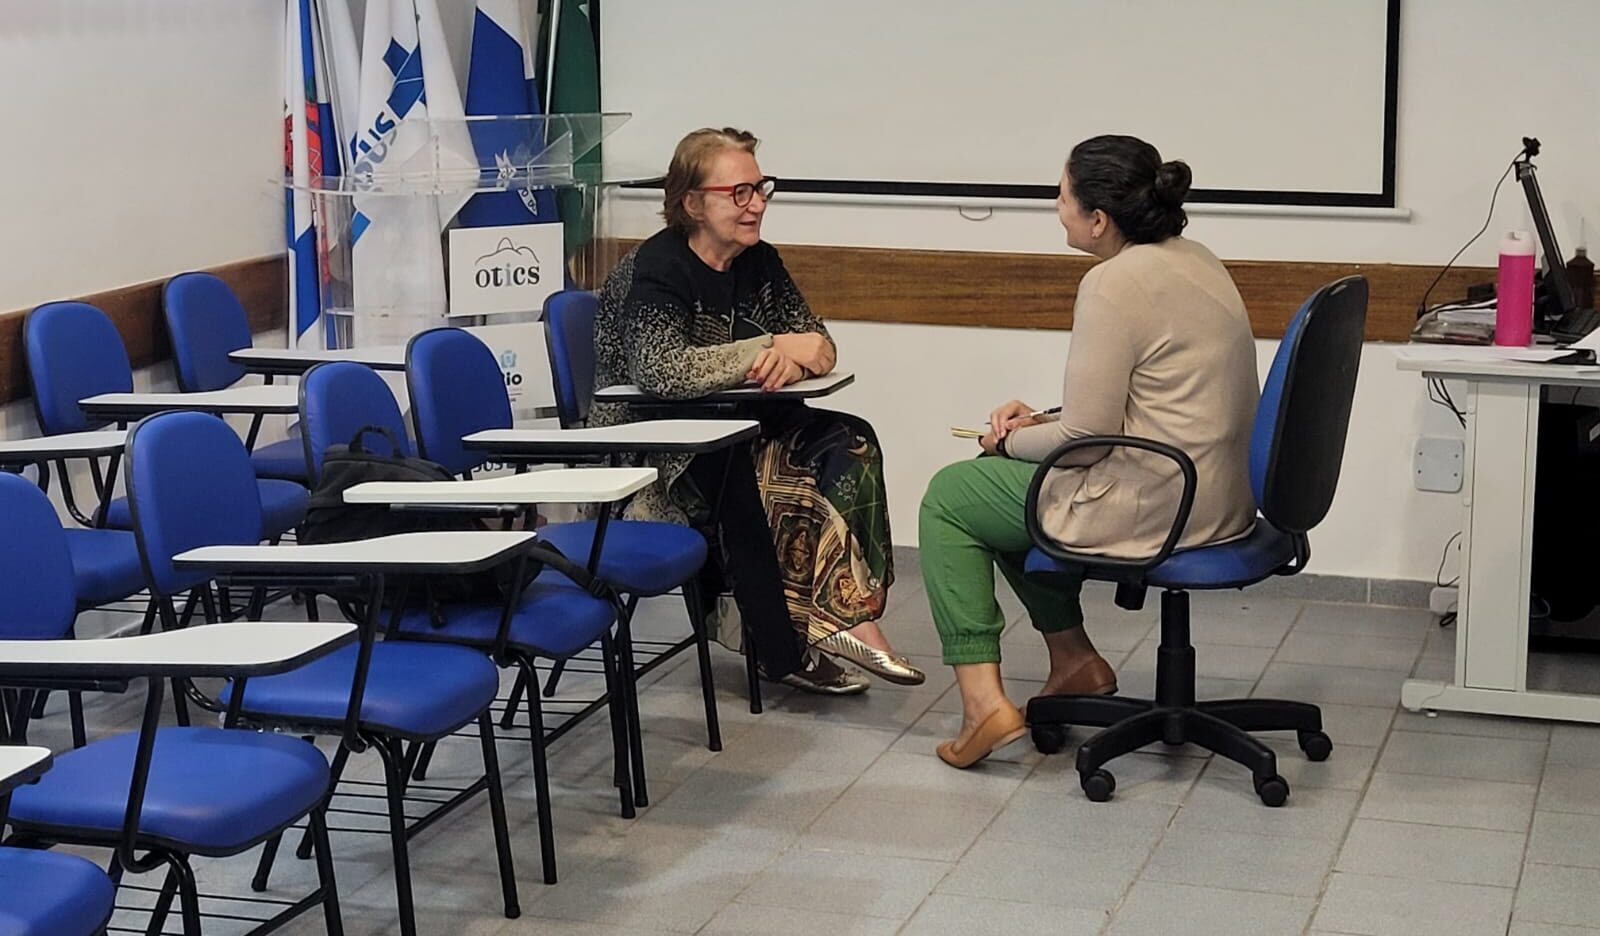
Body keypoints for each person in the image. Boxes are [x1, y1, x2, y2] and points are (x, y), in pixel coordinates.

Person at [918, 134, 1261, 767]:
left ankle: (984, 708)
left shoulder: (1113, 281)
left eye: (1062, 195)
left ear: (1098, 220)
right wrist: (1040, 419)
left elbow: (1079, 443)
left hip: (1159, 502)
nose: (1056, 206)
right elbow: (1150, 398)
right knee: (1005, 491)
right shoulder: (1195, 258)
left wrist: (1008, 438)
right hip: (1220, 495)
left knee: (953, 495)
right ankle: (1075, 663)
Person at [590, 127, 923, 694]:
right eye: (740, 192)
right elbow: (660, 369)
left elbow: (816, 341)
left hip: (734, 422)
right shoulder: (657, 269)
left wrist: (796, 357)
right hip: (656, 446)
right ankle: (790, 646)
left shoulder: (758, 261)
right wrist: (765, 352)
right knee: (757, 476)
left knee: (848, 441)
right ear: (692, 203)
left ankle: (848, 613)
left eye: (761, 188)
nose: (758, 204)